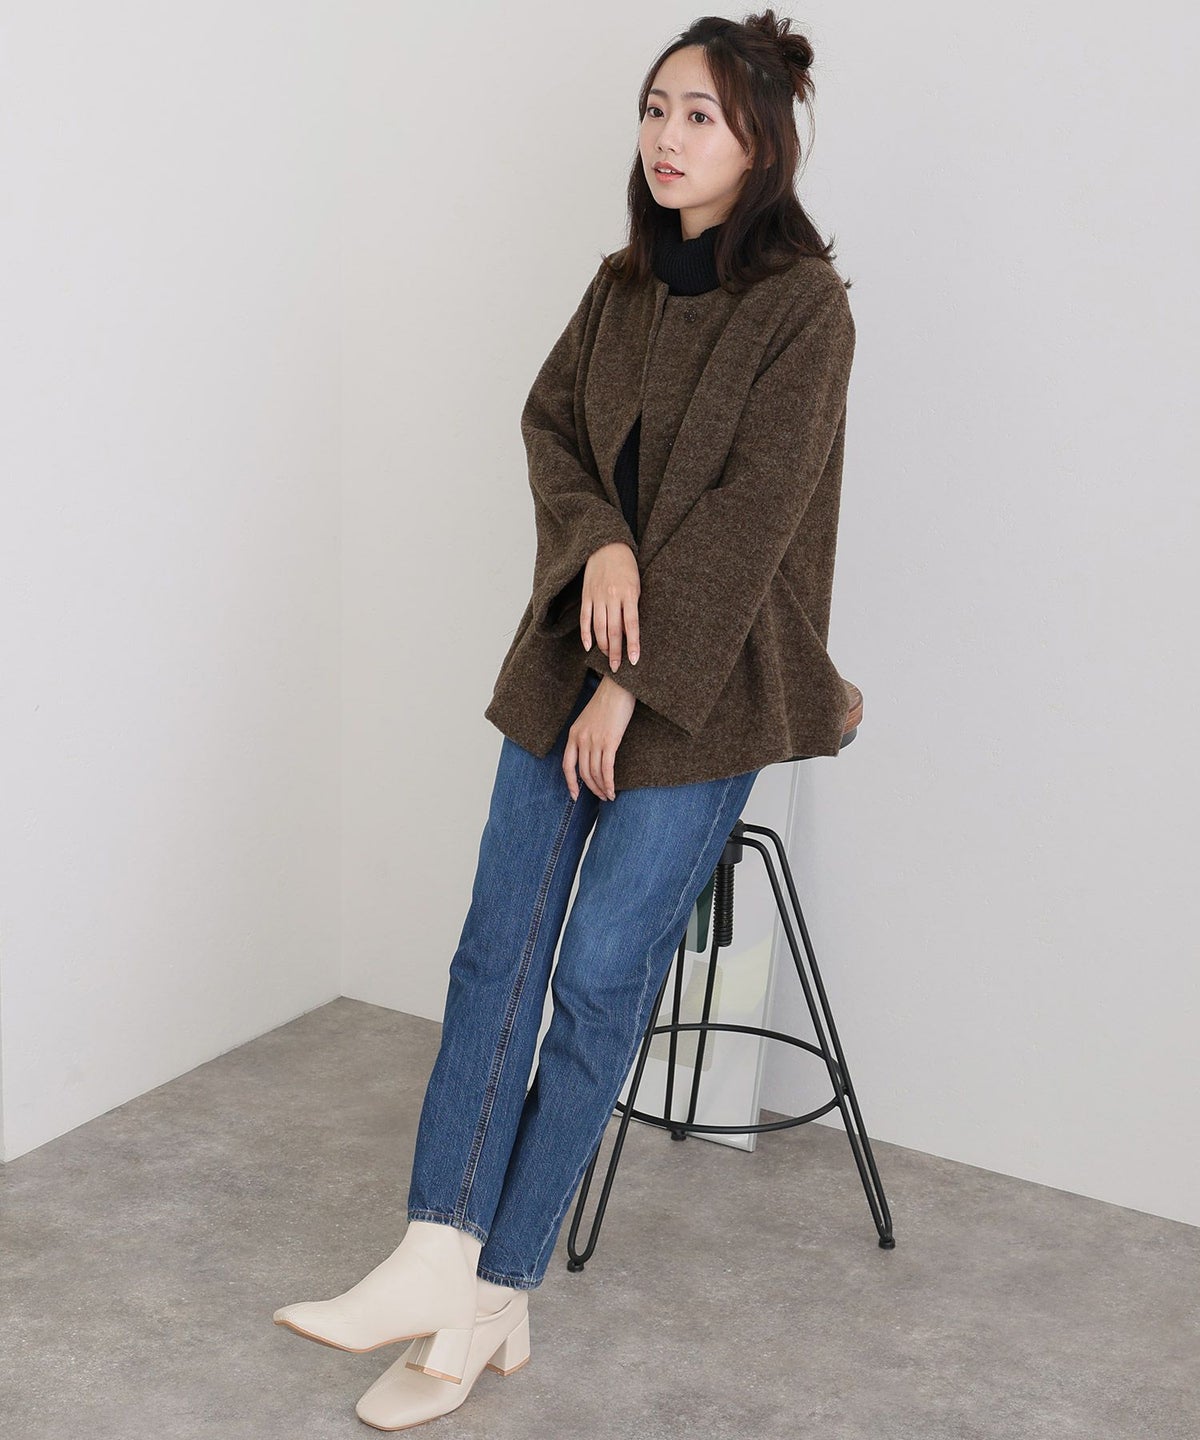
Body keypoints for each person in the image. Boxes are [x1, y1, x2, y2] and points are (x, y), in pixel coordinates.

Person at [274, 9, 857, 1429]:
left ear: (763, 141)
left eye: (700, 115)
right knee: (499, 949)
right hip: (572, 656)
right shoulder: (619, 287)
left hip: (705, 690)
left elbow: (751, 519)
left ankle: (492, 1290)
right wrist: (596, 541)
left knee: (596, 981)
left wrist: (629, 684)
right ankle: (435, 1250)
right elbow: (551, 428)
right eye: (656, 108)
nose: (668, 136)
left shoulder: (807, 310)